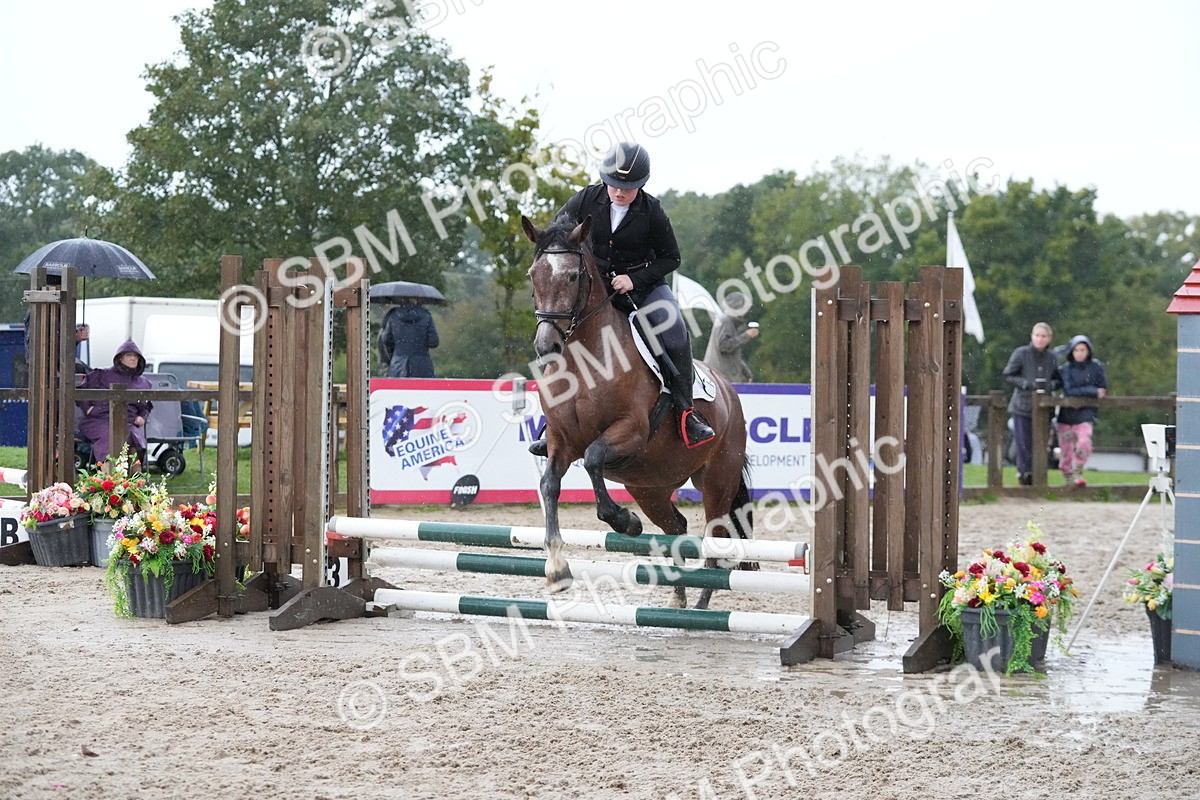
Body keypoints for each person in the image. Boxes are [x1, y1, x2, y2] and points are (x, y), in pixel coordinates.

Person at [528, 141, 715, 455]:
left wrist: (633, 278)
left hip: (645, 288)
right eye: (614, 184)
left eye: (627, 188)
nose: (619, 192)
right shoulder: (585, 199)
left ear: (641, 185)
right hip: (593, 288)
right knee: (555, 328)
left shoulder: (651, 210)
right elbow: (556, 235)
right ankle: (553, 424)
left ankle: (687, 412)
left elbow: (671, 258)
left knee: (675, 334)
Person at [1002, 322, 1061, 486]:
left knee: (1042, 443)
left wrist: (1050, 385)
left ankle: (1039, 475)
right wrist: (1026, 383)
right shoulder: (1021, 354)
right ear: (1032, 336)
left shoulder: (1052, 357)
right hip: (1023, 405)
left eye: (1043, 336)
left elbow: (1058, 379)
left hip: (1044, 407)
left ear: (1049, 338)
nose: (1040, 339)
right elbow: (1008, 375)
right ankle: (1024, 473)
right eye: (1037, 335)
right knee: (1023, 443)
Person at [77, 339, 153, 464]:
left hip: (128, 423)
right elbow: (82, 391)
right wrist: (88, 408)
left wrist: (142, 416)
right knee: (111, 438)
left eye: (136, 356)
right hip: (98, 420)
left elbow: (146, 406)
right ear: (120, 358)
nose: (133, 359)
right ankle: (109, 479)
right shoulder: (102, 375)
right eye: (129, 355)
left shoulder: (144, 383)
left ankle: (134, 481)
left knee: (134, 440)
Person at [1056, 335, 1108, 487]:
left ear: (1088, 351)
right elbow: (1069, 390)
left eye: (1082, 350)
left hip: (1086, 412)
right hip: (1066, 414)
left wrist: (1093, 392)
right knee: (1066, 449)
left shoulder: (1096, 366)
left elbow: (1103, 387)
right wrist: (1092, 390)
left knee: (1084, 441)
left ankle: (1078, 468)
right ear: (1071, 352)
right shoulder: (1065, 368)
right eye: (1076, 350)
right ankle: (1068, 476)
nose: (1079, 353)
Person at [703, 291, 758, 383]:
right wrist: (746, 335)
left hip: (718, 375)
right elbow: (723, 345)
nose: (745, 312)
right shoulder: (726, 321)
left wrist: (744, 372)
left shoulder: (725, 320)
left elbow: (731, 354)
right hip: (720, 377)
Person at [379, 299, 439, 378]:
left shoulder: (393, 315)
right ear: (416, 299)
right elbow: (433, 342)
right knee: (422, 389)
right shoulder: (426, 316)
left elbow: (386, 339)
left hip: (398, 365)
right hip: (422, 366)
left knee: (397, 389)